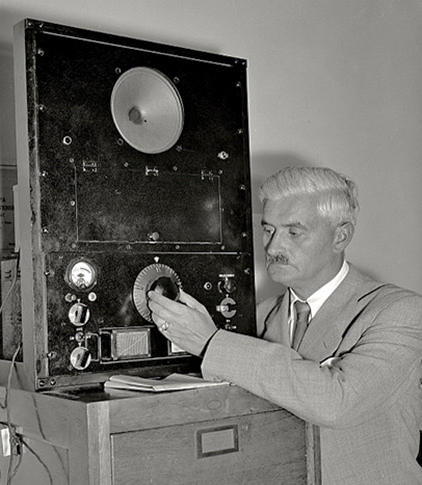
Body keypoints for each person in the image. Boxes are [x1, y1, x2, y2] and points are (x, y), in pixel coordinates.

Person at [147, 166, 422, 484]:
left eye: (293, 232)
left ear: (341, 236)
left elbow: (337, 401)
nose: (273, 247)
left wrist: (212, 343)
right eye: (268, 230)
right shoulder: (258, 317)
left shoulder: (399, 311)